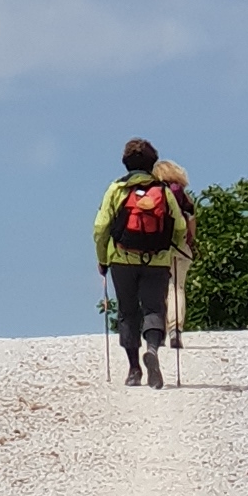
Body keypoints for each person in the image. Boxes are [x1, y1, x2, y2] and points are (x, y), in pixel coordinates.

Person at [93, 140, 192, 388]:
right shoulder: (164, 191)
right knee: (154, 308)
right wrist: (171, 249)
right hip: (157, 260)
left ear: (126, 163)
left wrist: (103, 258)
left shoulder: (116, 189)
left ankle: (134, 369)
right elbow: (179, 225)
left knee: (127, 312)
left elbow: (101, 227)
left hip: (121, 259)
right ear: (152, 164)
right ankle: (153, 350)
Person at [151, 159, 200, 354]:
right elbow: (192, 224)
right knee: (177, 287)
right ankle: (176, 330)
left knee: (158, 290)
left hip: (157, 249)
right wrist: (190, 243)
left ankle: (158, 331)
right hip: (181, 248)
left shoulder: (153, 194)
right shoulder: (184, 197)